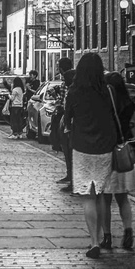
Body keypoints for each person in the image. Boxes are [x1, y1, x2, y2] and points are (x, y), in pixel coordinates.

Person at [65, 54, 135, 256]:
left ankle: (95, 242)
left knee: (89, 196)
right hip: (105, 148)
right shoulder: (108, 91)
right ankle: (106, 236)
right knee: (103, 196)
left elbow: (68, 119)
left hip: (82, 148)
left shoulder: (74, 91)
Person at [52, 55, 75, 188]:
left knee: (67, 149)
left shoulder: (65, 82)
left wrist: (55, 96)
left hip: (66, 120)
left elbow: (61, 103)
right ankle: (71, 177)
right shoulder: (77, 80)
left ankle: (71, 177)